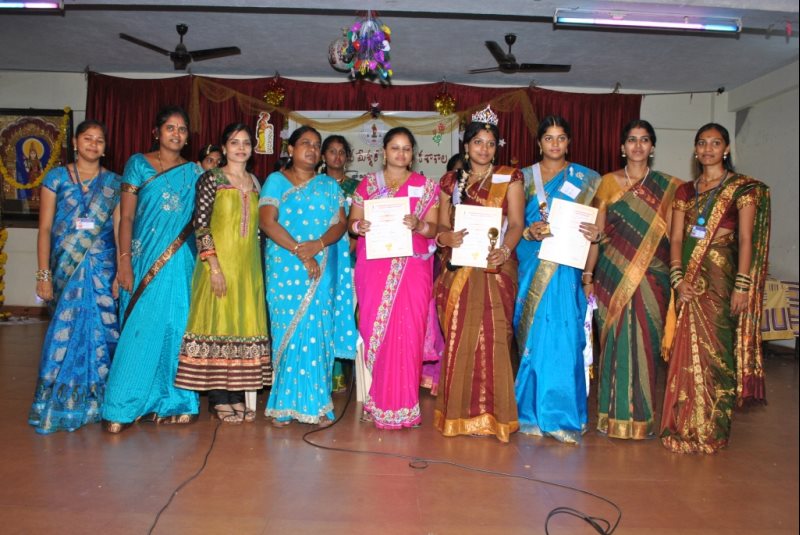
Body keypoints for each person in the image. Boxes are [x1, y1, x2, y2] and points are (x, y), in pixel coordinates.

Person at [660, 123, 770, 454]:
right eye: (702, 143)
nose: (708, 149)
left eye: (715, 143)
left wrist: (742, 286)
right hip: (689, 281)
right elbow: (676, 238)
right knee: (684, 354)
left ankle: (711, 430)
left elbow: (746, 239)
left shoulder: (741, 189)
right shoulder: (685, 192)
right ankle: (683, 426)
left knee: (718, 354)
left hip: (723, 280)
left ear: (726, 149)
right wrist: (678, 279)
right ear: (695, 150)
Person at [101, 105, 202, 433]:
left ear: (187, 137)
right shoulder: (138, 164)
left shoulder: (194, 173)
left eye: (182, 129)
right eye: (170, 127)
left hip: (181, 262)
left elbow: (201, 221)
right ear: (156, 132)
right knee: (140, 329)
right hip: (142, 259)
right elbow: (126, 217)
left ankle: (176, 401)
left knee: (176, 327)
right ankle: (123, 404)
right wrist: (123, 261)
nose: (176, 133)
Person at [433, 106, 524, 442]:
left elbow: (517, 224)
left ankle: (494, 417)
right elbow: (441, 225)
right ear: (466, 146)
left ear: (496, 147)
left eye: (490, 143)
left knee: (496, 339)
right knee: (459, 338)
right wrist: (445, 238)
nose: (484, 149)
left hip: (495, 269)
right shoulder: (450, 181)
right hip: (458, 269)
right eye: (478, 142)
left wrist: (506, 249)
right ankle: (458, 415)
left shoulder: (510, 178)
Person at [588, 120, 683, 439]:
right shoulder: (607, 183)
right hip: (611, 274)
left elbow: (676, 236)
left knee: (645, 345)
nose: (638, 145)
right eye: (632, 139)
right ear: (622, 147)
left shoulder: (670, 187)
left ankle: (641, 419)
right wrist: (587, 275)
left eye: (644, 140)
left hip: (653, 277)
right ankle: (610, 416)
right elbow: (596, 234)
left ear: (652, 147)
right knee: (613, 345)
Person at [259, 126, 356, 427]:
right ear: (290, 149)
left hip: (321, 267)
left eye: (316, 144)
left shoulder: (329, 186)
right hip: (286, 267)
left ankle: (318, 404)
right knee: (287, 333)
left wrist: (318, 244)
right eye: (305, 143)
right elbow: (267, 222)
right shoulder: (276, 181)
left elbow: (341, 224)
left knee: (318, 333)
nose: (312, 149)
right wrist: (301, 251)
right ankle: (283, 405)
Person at [28, 120, 121, 434]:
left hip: (103, 270)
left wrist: (121, 271)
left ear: (105, 147)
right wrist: (43, 274)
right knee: (64, 334)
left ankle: (101, 403)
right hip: (66, 270)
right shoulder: (56, 178)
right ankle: (59, 403)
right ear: (75, 142)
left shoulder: (114, 183)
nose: (93, 144)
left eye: (99, 140)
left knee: (103, 334)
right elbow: (44, 229)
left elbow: (120, 230)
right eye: (88, 138)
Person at [174, 123, 271, 423]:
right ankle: (218, 398)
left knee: (242, 326)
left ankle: (237, 395)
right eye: (234, 142)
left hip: (248, 268)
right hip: (217, 265)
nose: (241, 148)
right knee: (218, 324)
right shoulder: (211, 179)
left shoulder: (255, 183)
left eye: (246, 143)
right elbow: (201, 226)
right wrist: (214, 266)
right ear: (225, 147)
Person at [514, 115, 601, 444]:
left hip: (567, 271)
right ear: (539, 143)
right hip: (532, 265)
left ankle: (563, 416)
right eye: (548, 138)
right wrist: (528, 231)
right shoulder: (522, 178)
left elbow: (596, 230)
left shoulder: (587, 179)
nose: (555, 144)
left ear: (569, 142)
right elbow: (512, 225)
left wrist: (596, 235)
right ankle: (530, 413)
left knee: (565, 341)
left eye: (561, 138)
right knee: (535, 341)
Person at [349, 126, 439, 429]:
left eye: (406, 148)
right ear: (384, 152)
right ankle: (378, 403)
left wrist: (420, 225)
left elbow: (435, 229)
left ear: (413, 155)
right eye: (395, 148)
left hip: (413, 270)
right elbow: (352, 224)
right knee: (377, 331)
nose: (401, 153)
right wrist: (359, 227)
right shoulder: (367, 185)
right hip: (374, 269)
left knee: (409, 334)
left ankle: (407, 407)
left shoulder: (426, 187)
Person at [421, 154, 463, 395]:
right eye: (454, 172)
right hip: (444, 259)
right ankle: (436, 375)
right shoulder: (443, 192)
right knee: (438, 319)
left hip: (477, 258)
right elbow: (439, 227)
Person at [320, 134, 358, 392]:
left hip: (351, 256)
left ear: (348, 157)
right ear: (323, 156)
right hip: (321, 255)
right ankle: (324, 371)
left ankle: (344, 371)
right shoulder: (315, 184)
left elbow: (359, 222)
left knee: (346, 312)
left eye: (342, 151)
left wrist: (349, 247)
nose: (337, 156)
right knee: (324, 312)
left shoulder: (357, 187)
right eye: (332, 151)